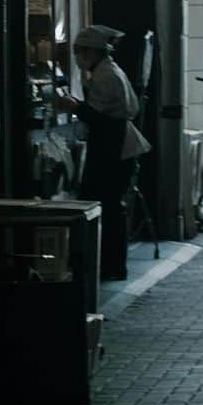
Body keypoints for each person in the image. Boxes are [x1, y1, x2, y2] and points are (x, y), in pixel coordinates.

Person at [60, 24, 151, 280]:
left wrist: (74, 106)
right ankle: (109, 265)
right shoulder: (107, 70)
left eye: (79, 52)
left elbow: (100, 117)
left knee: (108, 208)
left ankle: (109, 266)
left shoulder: (106, 76)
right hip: (116, 147)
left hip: (114, 149)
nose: (77, 58)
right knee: (112, 208)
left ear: (91, 52)